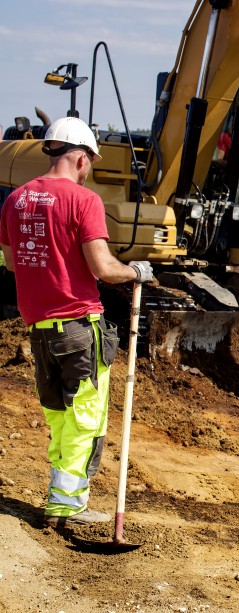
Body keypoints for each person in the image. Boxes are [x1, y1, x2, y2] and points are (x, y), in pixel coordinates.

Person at [0, 117, 154, 528]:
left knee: (58, 415)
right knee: (85, 418)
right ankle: (67, 505)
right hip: (78, 327)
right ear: (81, 159)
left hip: (38, 328)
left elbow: (13, 262)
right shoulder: (84, 201)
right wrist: (136, 271)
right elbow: (104, 268)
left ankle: (59, 496)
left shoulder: (15, 200)